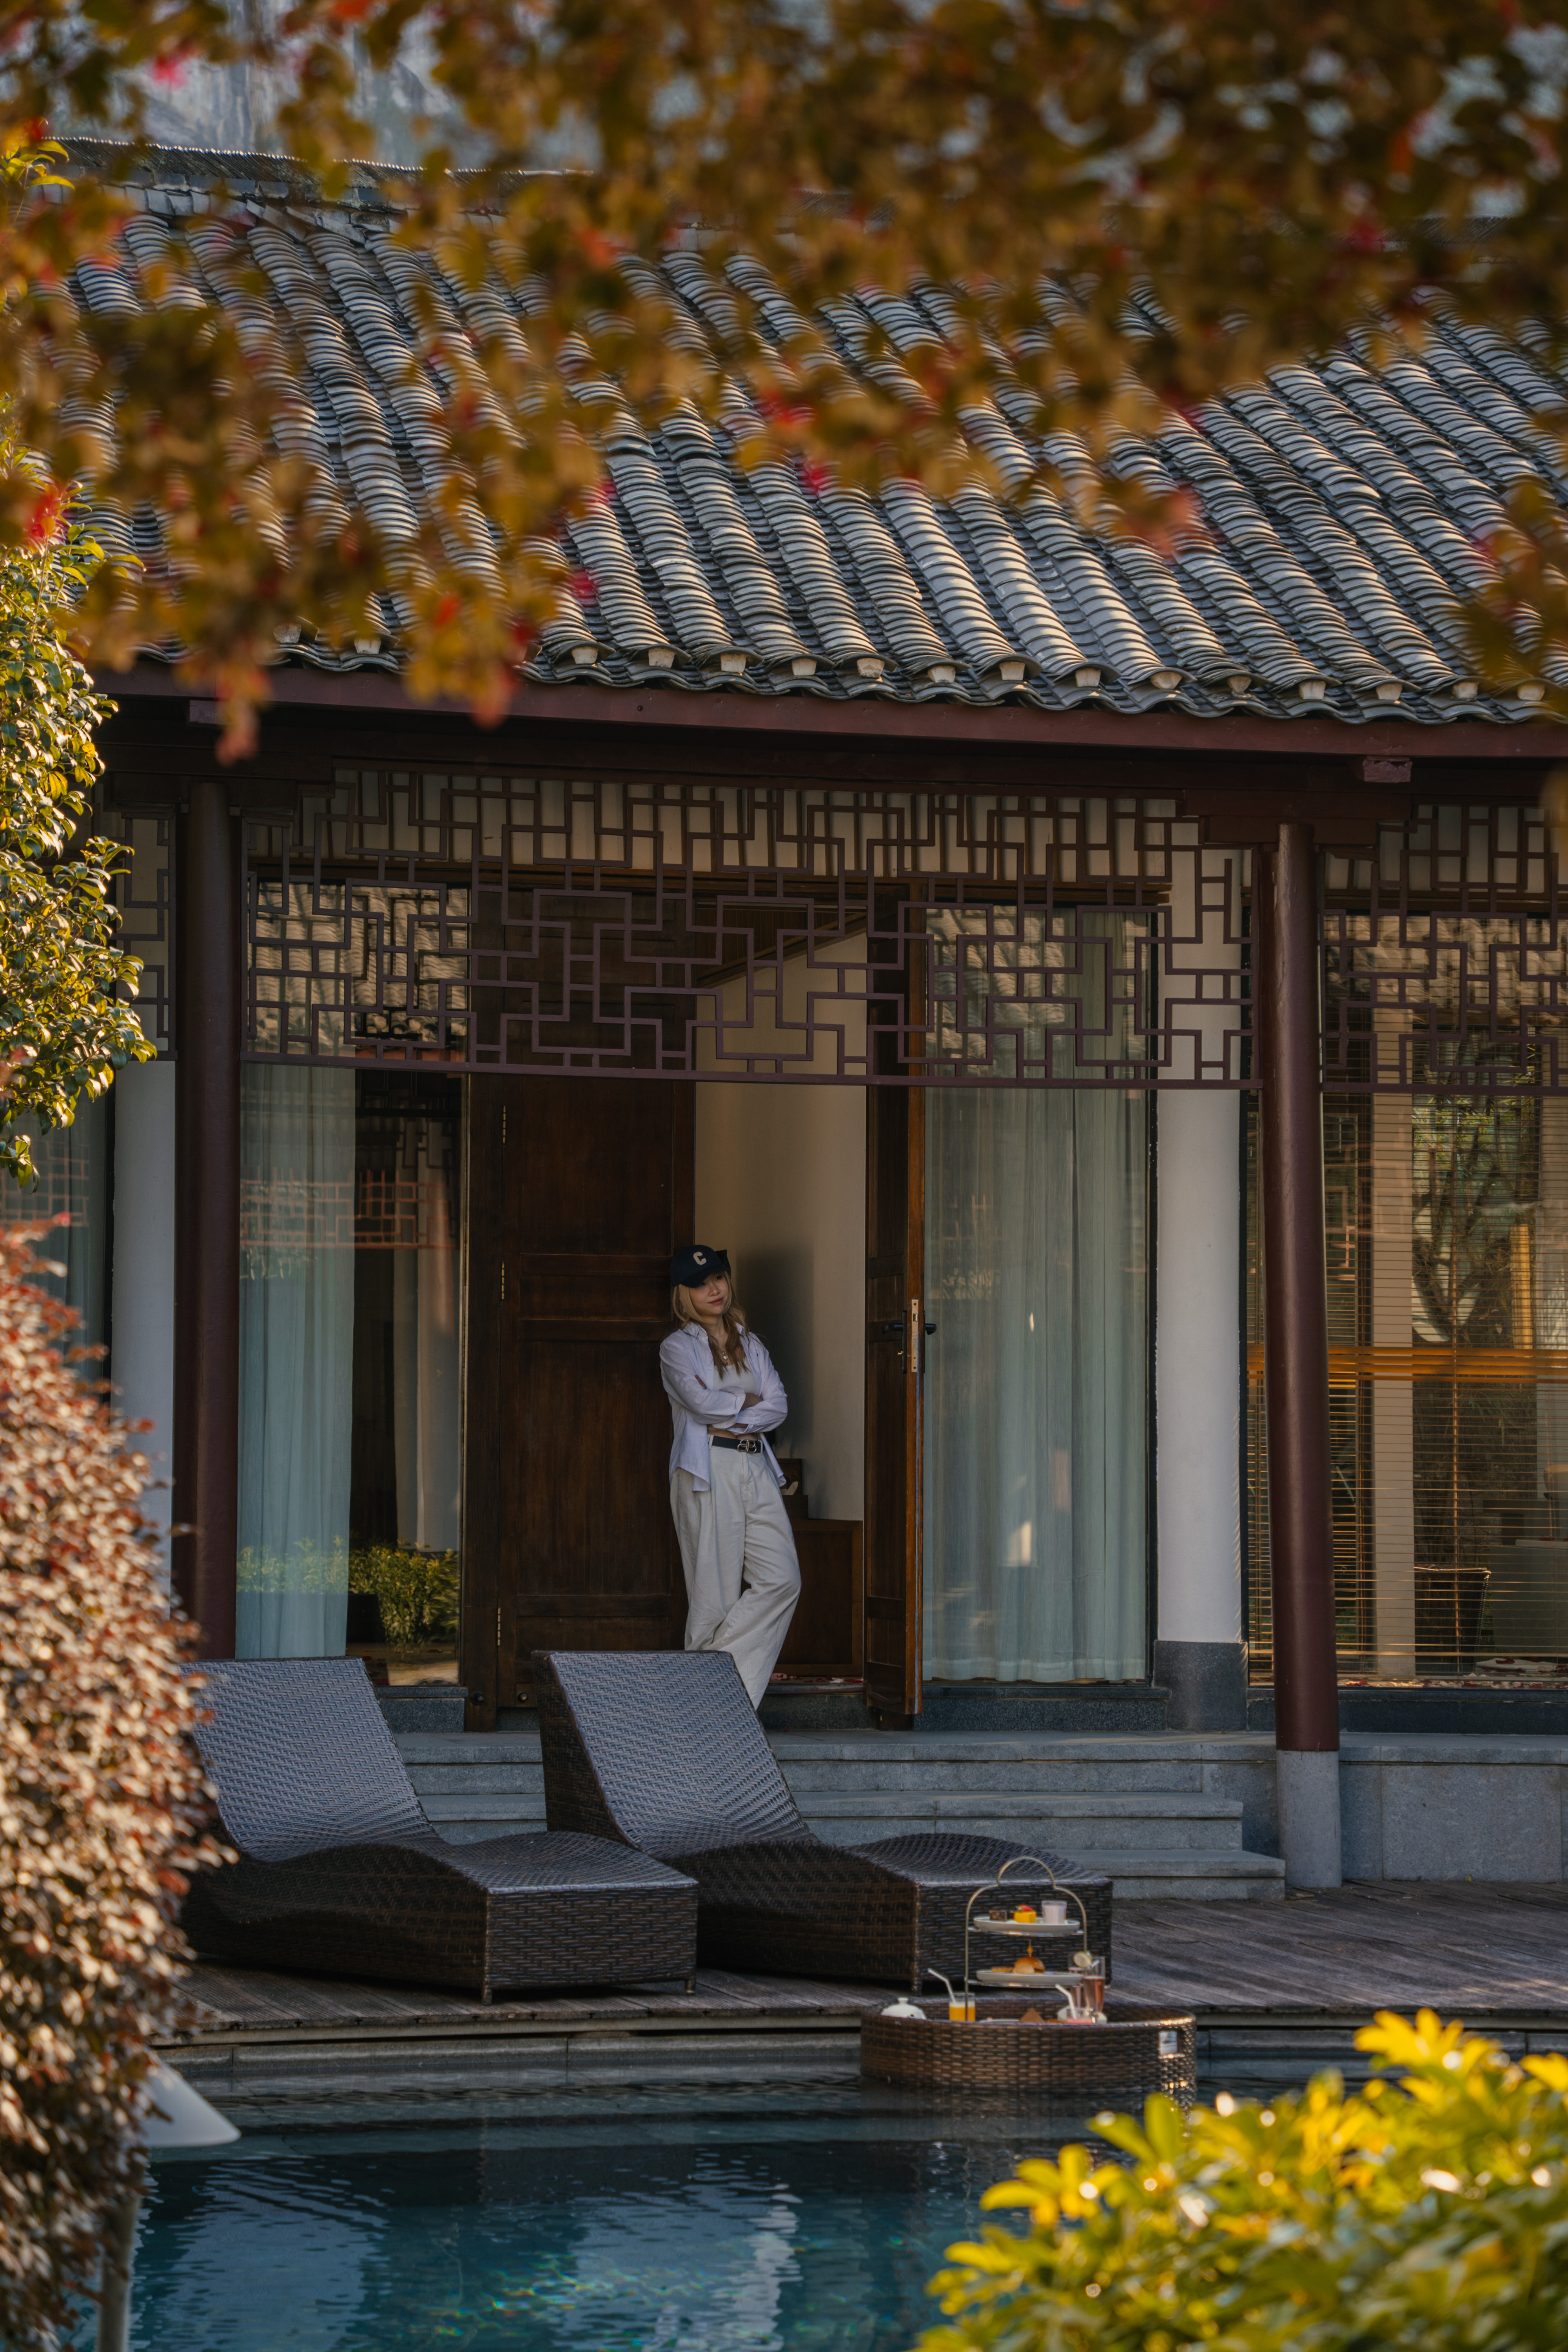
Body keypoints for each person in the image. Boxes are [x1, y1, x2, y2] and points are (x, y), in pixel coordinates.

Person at [660, 1243, 801, 1706]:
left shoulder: (750, 1343)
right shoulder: (676, 1348)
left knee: (782, 1580)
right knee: (712, 1598)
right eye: (700, 1284)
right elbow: (700, 1405)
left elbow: (778, 1406)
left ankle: (709, 1695)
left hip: (755, 1465)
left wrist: (733, 1414)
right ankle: (715, 1708)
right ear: (683, 1295)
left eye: (718, 1278)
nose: (713, 1289)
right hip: (708, 1468)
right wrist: (748, 1404)